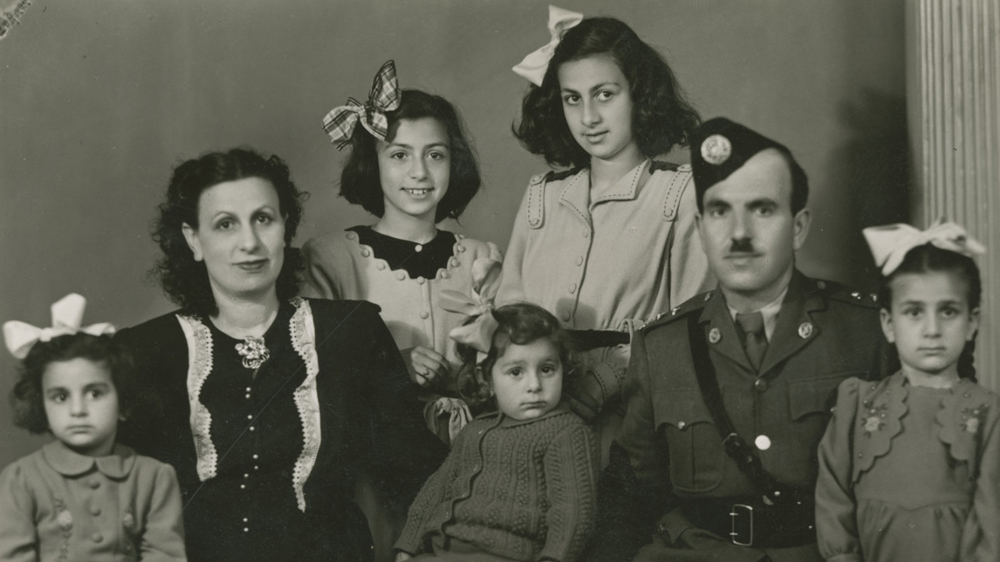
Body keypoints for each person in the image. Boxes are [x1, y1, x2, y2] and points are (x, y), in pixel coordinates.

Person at [114, 148, 447, 562]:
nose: (249, 243)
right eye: (225, 225)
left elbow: (414, 465)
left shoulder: (350, 333)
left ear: (285, 227)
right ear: (193, 240)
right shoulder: (147, 351)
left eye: (263, 219)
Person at [600, 117, 890, 562]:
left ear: (798, 226)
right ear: (700, 227)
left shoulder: (867, 332)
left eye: (762, 209)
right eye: (719, 211)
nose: (738, 234)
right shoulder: (663, 346)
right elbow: (628, 496)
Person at [501, 6, 714, 431]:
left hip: (628, 417)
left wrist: (604, 380)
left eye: (605, 94)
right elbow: (508, 311)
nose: (589, 118)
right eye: (572, 98)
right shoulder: (542, 194)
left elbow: (689, 327)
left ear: (638, 93)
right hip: (530, 413)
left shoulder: (679, 193)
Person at [304, 60, 500, 442]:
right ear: (371, 163)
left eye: (435, 155)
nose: (420, 173)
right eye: (399, 155)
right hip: (373, 455)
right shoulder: (331, 259)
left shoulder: (482, 257)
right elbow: (313, 370)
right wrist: (392, 367)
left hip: (471, 447)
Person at [816, 221, 998, 562]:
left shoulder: (988, 416)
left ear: (971, 322)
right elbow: (833, 500)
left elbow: (992, 523)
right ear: (888, 323)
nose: (932, 330)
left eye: (948, 311)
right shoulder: (857, 405)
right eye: (914, 312)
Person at [394, 301, 599, 562]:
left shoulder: (566, 431)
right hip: (442, 551)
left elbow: (573, 513)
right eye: (516, 372)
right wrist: (408, 544)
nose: (534, 385)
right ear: (487, 380)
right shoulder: (475, 429)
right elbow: (437, 488)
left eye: (547, 369)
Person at [0, 294, 185, 562]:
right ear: (41, 405)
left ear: (123, 401)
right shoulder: (21, 480)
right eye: (61, 397)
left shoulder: (154, 478)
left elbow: (165, 554)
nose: (78, 410)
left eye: (95, 393)